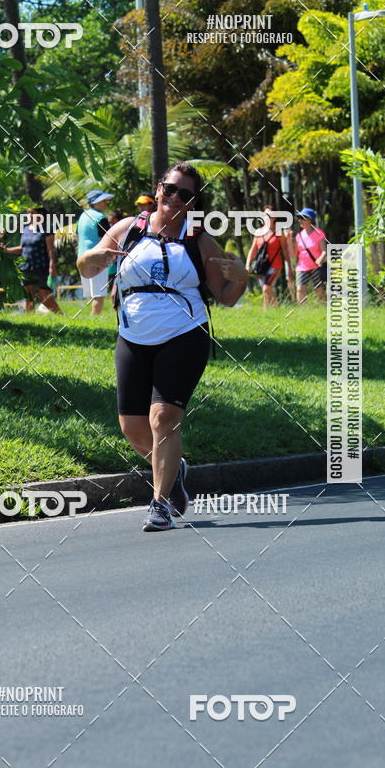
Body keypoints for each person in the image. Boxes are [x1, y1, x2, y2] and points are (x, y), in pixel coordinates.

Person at [77, 162, 248, 533]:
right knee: (131, 427)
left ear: (192, 203)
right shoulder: (127, 229)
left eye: (185, 195)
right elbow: (86, 268)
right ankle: (175, 470)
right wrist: (95, 258)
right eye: (170, 189)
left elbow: (226, 297)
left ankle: (159, 504)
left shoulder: (199, 240)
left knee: (163, 419)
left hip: (184, 333)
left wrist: (243, 277)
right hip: (133, 335)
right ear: (158, 189)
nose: (175, 198)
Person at [1, 206, 62, 314]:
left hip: (42, 268)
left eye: (32, 213)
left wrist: (52, 266)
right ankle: (29, 320)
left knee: (44, 296)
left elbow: (51, 250)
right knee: (28, 297)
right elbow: (22, 248)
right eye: (28, 214)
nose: (29, 216)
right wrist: (7, 250)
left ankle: (61, 316)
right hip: (26, 267)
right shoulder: (25, 229)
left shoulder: (47, 230)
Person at [245, 206, 293, 308]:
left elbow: (285, 252)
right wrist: (247, 264)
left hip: (275, 266)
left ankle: (277, 308)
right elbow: (253, 249)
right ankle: (268, 313)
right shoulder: (258, 232)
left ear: (274, 217)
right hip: (262, 266)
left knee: (266, 288)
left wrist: (289, 269)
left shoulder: (279, 232)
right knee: (265, 291)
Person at [77, 190, 113, 314]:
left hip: (82, 258)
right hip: (96, 258)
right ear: (95, 202)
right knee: (99, 294)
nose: (106, 203)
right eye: (103, 201)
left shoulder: (83, 215)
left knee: (93, 295)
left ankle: (91, 319)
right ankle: (94, 320)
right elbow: (109, 238)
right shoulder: (100, 217)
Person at [295, 207, 327, 304]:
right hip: (302, 267)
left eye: (303, 218)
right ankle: (302, 312)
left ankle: (324, 307)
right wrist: (288, 241)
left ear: (310, 220)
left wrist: (321, 258)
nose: (300, 220)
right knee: (300, 289)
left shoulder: (319, 233)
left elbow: (324, 251)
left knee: (319, 289)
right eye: (299, 218)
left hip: (316, 266)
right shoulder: (298, 236)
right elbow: (294, 255)